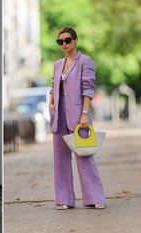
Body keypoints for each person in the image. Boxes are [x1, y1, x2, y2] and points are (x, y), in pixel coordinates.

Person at [49, 26, 106, 210]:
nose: (64, 44)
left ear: (75, 40)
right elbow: (53, 85)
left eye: (67, 40)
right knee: (60, 159)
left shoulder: (85, 61)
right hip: (59, 115)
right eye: (60, 41)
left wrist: (84, 114)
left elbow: (88, 88)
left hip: (77, 114)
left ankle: (95, 198)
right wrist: (51, 102)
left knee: (85, 155)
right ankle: (64, 200)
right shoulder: (58, 64)